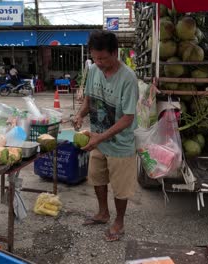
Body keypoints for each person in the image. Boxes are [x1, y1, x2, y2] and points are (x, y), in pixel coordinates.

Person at [73, 30, 138, 242]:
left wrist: (99, 138)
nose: (98, 62)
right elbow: (89, 99)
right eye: (94, 57)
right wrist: (80, 115)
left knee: (120, 188)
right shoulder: (93, 70)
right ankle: (103, 213)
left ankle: (119, 221)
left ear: (115, 53)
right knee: (97, 178)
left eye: (103, 58)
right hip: (97, 139)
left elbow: (128, 118)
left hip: (120, 144)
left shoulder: (128, 78)